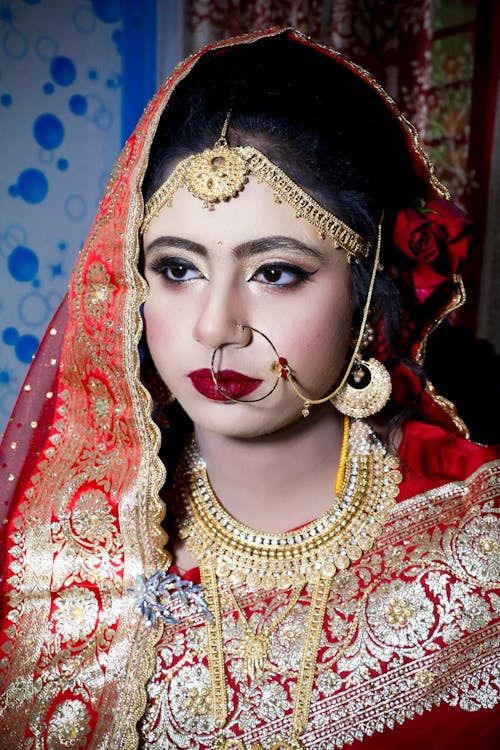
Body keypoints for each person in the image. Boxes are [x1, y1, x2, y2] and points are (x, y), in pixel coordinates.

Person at [0, 27, 498, 750]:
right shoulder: (66, 551)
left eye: (276, 271)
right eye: (177, 268)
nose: (215, 325)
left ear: (367, 295)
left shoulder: (476, 546)